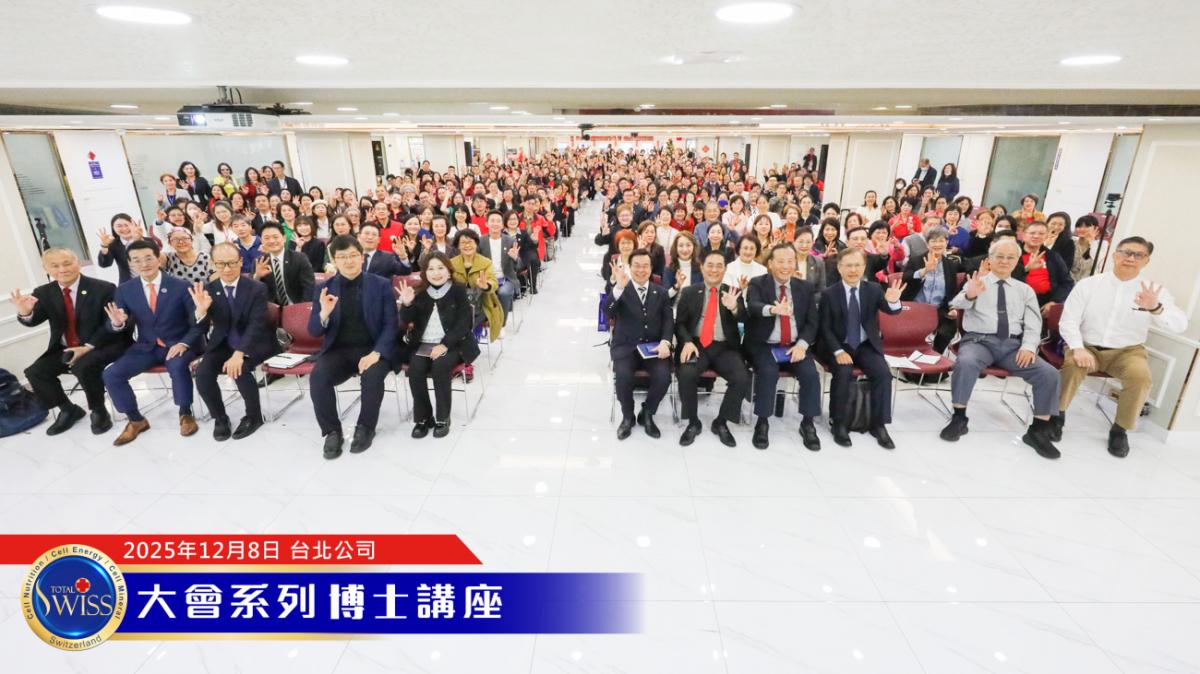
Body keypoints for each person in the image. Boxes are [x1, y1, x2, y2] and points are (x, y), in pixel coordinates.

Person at [1055, 236, 1187, 457]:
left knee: (1140, 377)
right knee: (1072, 366)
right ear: (1115, 255)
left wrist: (1155, 308)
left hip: (1128, 351)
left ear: (1146, 261)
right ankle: (1056, 416)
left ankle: (1120, 429)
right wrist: (1077, 348)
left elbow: (1180, 325)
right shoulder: (1089, 285)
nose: (1131, 258)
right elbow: (1068, 321)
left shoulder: (1153, 291)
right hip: (1088, 345)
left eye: (1138, 255)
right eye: (1126, 252)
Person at [940, 239, 1063, 458]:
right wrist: (970, 294)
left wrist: (1028, 346)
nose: (1004, 261)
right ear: (990, 258)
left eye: (1010, 257)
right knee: (966, 362)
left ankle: (1038, 431)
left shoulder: (1025, 290)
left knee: (1049, 374)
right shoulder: (977, 282)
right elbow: (955, 304)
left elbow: (1034, 324)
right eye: (999, 256)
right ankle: (959, 417)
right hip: (979, 342)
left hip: (1012, 346)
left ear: (1017, 261)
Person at [12, 249, 128, 435]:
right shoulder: (44, 292)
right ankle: (67, 409)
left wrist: (87, 347)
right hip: (67, 347)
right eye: (55, 266)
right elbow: (34, 320)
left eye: (67, 263)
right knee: (35, 372)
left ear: (78, 263)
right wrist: (25, 312)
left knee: (83, 366)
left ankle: (98, 410)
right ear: (46, 269)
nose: (62, 269)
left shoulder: (103, 288)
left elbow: (110, 324)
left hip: (102, 344)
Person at [102, 239, 203, 445]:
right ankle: (135, 420)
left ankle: (185, 413)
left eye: (148, 258)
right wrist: (117, 323)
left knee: (177, 364)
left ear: (158, 259)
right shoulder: (125, 290)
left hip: (180, 343)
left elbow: (199, 322)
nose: (144, 264)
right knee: (111, 374)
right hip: (147, 346)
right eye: (137, 260)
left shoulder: (181, 286)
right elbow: (117, 319)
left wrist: (184, 343)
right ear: (130, 263)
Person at [308, 234, 398, 459]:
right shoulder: (324, 288)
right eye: (342, 257)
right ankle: (331, 431)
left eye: (353, 255)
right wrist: (324, 314)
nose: (348, 261)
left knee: (372, 377)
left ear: (362, 257)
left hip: (372, 348)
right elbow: (314, 331)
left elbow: (391, 325)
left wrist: (377, 353)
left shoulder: (381, 284)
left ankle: (365, 427)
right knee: (318, 378)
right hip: (338, 350)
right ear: (334, 260)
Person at [819, 248, 905, 448]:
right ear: (839, 268)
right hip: (838, 345)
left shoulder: (873, 289)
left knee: (883, 374)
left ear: (864, 267)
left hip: (865, 345)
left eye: (857, 265)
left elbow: (890, 310)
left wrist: (893, 301)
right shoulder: (829, 294)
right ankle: (839, 423)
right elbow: (824, 328)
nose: (853, 270)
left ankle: (878, 424)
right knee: (844, 372)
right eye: (848, 265)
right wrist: (838, 352)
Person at [190, 243, 275, 441]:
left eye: (231, 263)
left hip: (254, 342)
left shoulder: (256, 288)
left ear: (241, 261)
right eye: (221, 264)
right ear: (213, 264)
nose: (227, 269)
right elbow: (199, 327)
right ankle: (220, 418)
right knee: (203, 374)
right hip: (222, 343)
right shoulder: (208, 290)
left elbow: (256, 324)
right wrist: (201, 311)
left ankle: (254, 416)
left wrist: (239, 353)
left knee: (239, 369)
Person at [745, 244, 823, 450]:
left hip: (795, 345)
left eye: (790, 261)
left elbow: (812, 322)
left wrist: (802, 345)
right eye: (780, 261)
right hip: (765, 345)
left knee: (811, 375)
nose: (786, 266)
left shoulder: (804, 287)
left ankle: (807, 423)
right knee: (768, 373)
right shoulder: (757, 283)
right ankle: (762, 422)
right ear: (770, 264)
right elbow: (752, 306)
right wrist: (773, 309)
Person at [398, 252, 480, 438]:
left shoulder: (458, 290)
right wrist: (407, 304)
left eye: (440, 268)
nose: (436, 273)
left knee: (440, 366)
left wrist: (444, 345)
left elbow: (464, 323)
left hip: (452, 344)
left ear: (449, 271)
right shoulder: (419, 291)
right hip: (423, 344)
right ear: (425, 273)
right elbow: (406, 320)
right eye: (431, 269)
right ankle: (423, 417)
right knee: (415, 369)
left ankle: (443, 417)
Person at [674, 250, 751, 447]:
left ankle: (721, 422)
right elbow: (679, 324)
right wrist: (687, 341)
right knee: (686, 373)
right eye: (710, 265)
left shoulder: (733, 291)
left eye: (719, 266)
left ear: (725, 269)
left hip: (725, 346)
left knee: (741, 377)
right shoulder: (689, 292)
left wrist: (734, 308)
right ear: (701, 268)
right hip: (696, 344)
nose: (714, 270)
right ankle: (693, 422)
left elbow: (745, 320)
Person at [606, 249, 673, 440]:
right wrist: (618, 288)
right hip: (625, 346)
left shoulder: (661, 292)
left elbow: (668, 320)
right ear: (630, 267)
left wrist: (665, 342)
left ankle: (648, 412)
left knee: (664, 377)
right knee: (623, 378)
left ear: (651, 269)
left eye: (645, 266)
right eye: (636, 265)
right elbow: (608, 311)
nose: (641, 270)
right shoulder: (622, 288)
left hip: (653, 347)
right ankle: (628, 416)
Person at [901, 227, 963, 353]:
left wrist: (953, 308)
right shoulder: (916, 260)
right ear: (927, 243)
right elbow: (906, 278)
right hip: (916, 308)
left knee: (946, 331)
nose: (937, 244)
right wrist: (924, 271)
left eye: (941, 240)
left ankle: (934, 356)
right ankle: (913, 358)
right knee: (915, 335)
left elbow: (951, 291)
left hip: (938, 309)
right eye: (933, 241)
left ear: (946, 242)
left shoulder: (950, 265)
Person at [450, 229, 503, 341]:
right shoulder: (451, 263)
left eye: (470, 242)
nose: (467, 245)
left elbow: (494, 282)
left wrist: (486, 285)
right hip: (458, 306)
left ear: (476, 244)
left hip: (481, 305)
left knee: (465, 324)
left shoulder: (485, 262)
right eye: (463, 243)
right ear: (458, 246)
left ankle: (464, 341)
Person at [1012, 220, 1074, 313]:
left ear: (1046, 236)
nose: (1036, 236)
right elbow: (1005, 278)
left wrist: (1054, 302)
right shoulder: (1012, 254)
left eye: (1041, 234)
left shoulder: (1053, 257)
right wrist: (1026, 269)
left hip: (1044, 304)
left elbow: (1067, 283)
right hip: (1016, 302)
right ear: (1024, 235)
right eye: (1032, 233)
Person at [254, 222, 314, 306]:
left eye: (275, 237)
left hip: (296, 305)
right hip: (271, 308)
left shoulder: (299, 258)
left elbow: (309, 287)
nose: (271, 241)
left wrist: (301, 308)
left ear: (284, 238)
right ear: (261, 241)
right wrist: (257, 276)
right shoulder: (260, 261)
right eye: (266, 238)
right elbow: (252, 291)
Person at [477, 210, 519, 317]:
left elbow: (518, 266)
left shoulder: (510, 241)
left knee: (504, 293)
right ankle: (487, 320)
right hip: (487, 279)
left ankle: (501, 322)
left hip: (506, 279)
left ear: (502, 225)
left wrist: (515, 258)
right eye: (492, 221)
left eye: (498, 221)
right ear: (486, 224)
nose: (495, 224)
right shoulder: (480, 241)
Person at [97, 213, 146, 283]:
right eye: (119, 226)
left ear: (133, 225)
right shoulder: (113, 245)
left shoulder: (146, 241)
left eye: (127, 225)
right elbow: (104, 264)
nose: (124, 229)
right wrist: (104, 246)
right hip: (129, 284)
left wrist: (139, 240)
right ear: (113, 228)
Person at [1070, 214, 1108, 281]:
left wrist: (1092, 240)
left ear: (1096, 228)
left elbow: (1098, 262)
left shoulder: (1102, 244)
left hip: (1089, 283)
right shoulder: (1071, 242)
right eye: (1079, 226)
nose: (1082, 229)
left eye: (1086, 226)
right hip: (1069, 282)